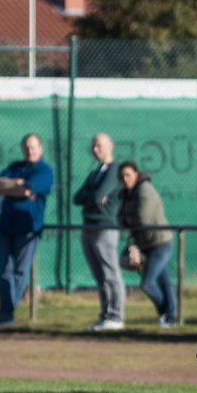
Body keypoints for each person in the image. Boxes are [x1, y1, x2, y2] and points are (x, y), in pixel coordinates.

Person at [0, 133, 54, 328]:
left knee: (19, 272)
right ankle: (4, 312)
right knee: (4, 272)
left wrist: (15, 187)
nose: (30, 151)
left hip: (27, 229)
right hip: (6, 226)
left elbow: (27, 190)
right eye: (26, 147)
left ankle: (6, 313)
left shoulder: (44, 170)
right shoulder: (15, 167)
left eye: (33, 147)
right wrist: (16, 184)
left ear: (40, 149)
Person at [73, 133, 125, 332]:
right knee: (99, 276)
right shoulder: (96, 172)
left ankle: (116, 316)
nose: (95, 149)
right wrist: (94, 196)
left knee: (110, 273)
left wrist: (96, 197)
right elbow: (78, 197)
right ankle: (105, 315)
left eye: (99, 145)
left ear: (110, 146)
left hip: (105, 228)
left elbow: (96, 197)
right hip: (89, 226)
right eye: (93, 146)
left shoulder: (114, 169)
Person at [117, 161, 176, 327]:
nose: (125, 178)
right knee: (164, 282)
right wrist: (128, 219)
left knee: (147, 283)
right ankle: (169, 317)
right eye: (122, 176)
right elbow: (120, 218)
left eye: (128, 174)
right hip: (146, 244)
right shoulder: (126, 193)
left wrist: (128, 219)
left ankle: (166, 313)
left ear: (136, 174)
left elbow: (142, 219)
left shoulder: (145, 190)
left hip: (160, 243)